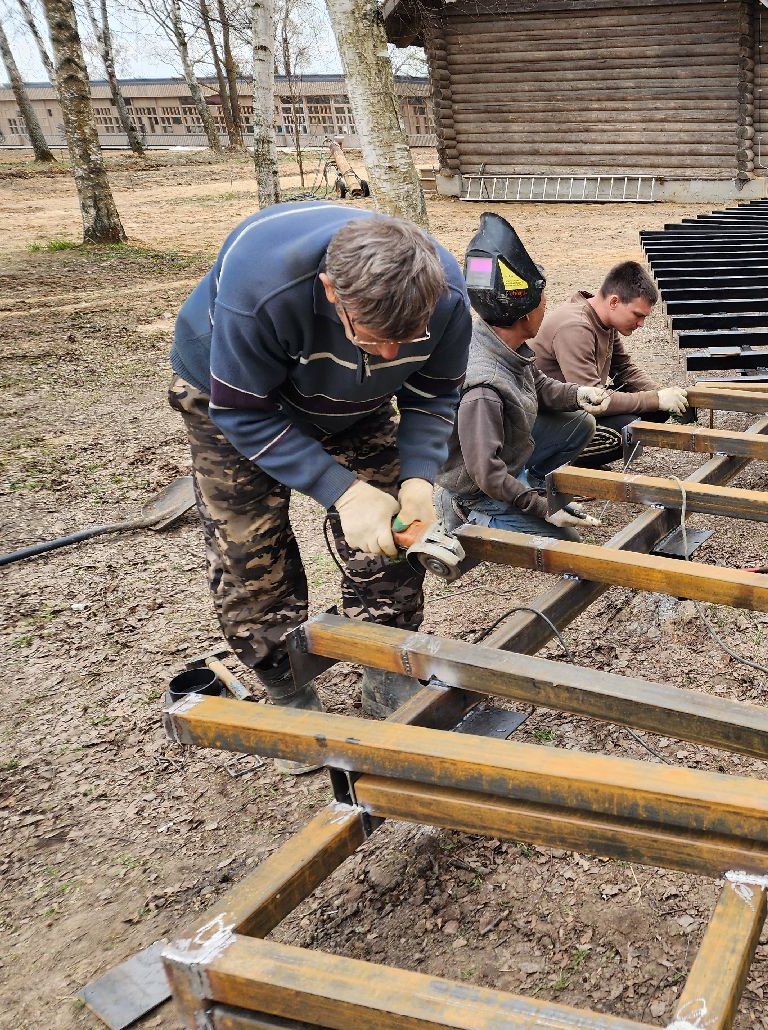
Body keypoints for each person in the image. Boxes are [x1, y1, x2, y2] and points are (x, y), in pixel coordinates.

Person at [168, 203, 472, 729]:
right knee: (249, 548)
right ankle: (284, 681)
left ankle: (384, 666)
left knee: (391, 530)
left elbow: (433, 394)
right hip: (234, 398)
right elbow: (242, 410)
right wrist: (346, 493)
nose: (392, 351)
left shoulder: (446, 295)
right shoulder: (263, 287)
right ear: (333, 291)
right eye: (375, 337)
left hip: (355, 400)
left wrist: (419, 477)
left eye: (408, 337)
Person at [435, 213, 609, 541]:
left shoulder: (500, 340)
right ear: (526, 312)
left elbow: (538, 383)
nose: (547, 308)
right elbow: (486, 473)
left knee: (579, 422)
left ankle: (525, 484)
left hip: (499, 458)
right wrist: (542, 508)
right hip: (478, 487)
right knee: (567, 543)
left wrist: (576, 394)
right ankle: (465, 516)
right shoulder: (483, 390)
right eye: (543, 301)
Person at [531, 261, 689, 451]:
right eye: (638, 315)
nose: (641, 324)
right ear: (614, 301)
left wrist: (664, 395)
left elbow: (625, 369)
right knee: (627, 429)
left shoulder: (602, 319)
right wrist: (654, 398)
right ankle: (567, 465)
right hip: (541, 424)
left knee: (656, 411)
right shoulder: (575, 327)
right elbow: (592, 400)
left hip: (570, 410)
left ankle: (583, 462)